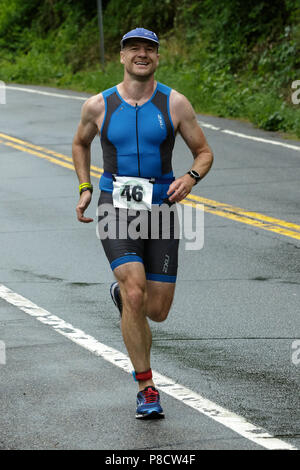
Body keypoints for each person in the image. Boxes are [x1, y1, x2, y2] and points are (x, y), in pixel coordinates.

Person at [72, 27, 213, 419]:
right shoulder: (98, 106)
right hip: (114, 205)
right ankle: (146, 388)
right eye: (134, 48)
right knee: (135, 291)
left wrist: (190, 178)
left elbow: (203, 152)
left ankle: (125, 300)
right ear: (122, 57)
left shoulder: (175, 104)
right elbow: (80, 142)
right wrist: (85, 186)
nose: (142, 54)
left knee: (157, 310)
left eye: (149, 49)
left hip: (162, 208)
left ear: (157, 57)